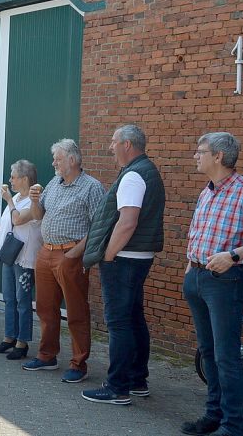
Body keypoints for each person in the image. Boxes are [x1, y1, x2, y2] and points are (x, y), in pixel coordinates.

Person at [79, 125, 166, 405]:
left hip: (124, 258)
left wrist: (108, 255)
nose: (110, 147)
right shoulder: (148, 170)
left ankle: (117, 386)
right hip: (137, 256)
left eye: (114, 141)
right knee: (134, 318)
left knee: (118, 323)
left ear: (127, 144)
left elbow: (127, 222)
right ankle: (137, 380)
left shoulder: (133, 176)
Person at [179, 132, 243, 436]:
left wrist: (233, 256)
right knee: (208, 352)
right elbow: (197, 233)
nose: (196, 155)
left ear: (219, 156)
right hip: (197, 277)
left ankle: (233, 426)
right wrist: (189, 269)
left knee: (226, 356)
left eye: (201, 151)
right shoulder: (206, 191)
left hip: (227, 281)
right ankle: (214, 415)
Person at [24, 139, 105, 383]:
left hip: (70, 254)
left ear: (72, 160)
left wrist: (75, 253)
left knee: (76, 311)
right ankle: (47, 356)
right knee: (46, 308)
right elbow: (38, 217)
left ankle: (79, 364)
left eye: (58, 159)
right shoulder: (53, 183)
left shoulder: (92, 187)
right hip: (46, 252)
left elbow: (99, 226)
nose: (54, 163)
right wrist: (35, 201)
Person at [0, 160, 42, 360]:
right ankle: (9, 336)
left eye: (13, 176)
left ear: (25, 179)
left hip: (25, 257)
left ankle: (23, 341)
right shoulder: (18, 197)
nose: (10, 180)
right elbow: (12, 224)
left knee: (22, 300)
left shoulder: (33, 200)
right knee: (9, 298)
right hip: (9, 254)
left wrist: (9, 201)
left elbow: (19, 219)